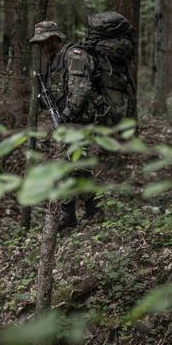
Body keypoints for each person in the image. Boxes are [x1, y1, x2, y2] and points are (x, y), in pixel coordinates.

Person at [29, 21, 104, 230]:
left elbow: (81, 91)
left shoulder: (75, 56)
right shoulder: (54, 61)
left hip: (79, 122)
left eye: (44, 41)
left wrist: (65, 116)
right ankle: (92, 210)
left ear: (54, 38)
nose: (42, 47)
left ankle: (70, 215)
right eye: (40, 43)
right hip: (69, 122)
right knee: (78, 165)